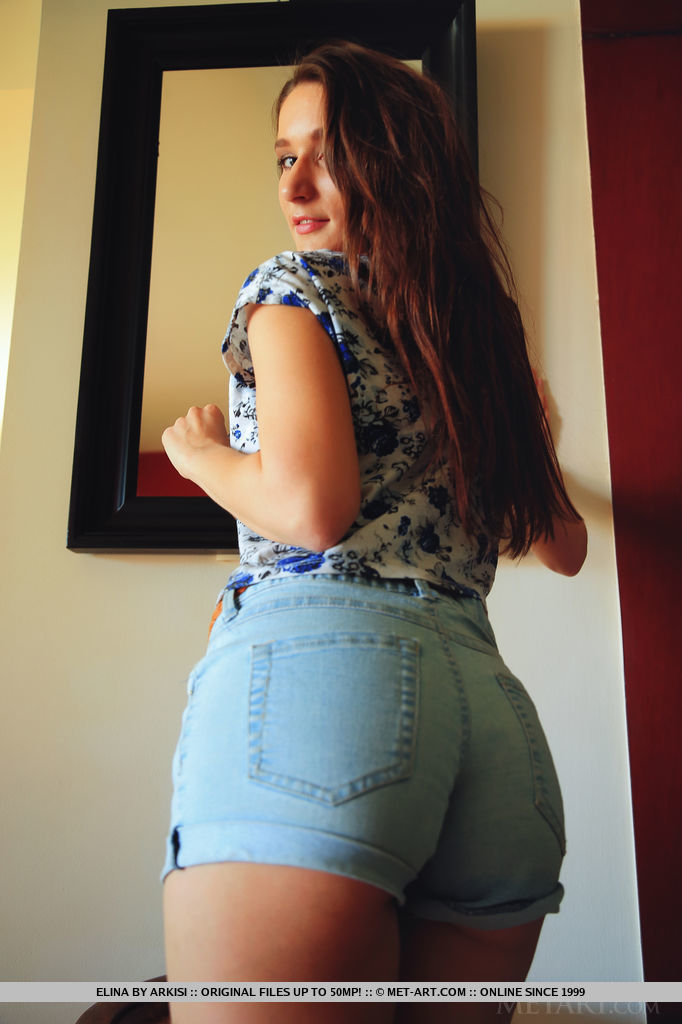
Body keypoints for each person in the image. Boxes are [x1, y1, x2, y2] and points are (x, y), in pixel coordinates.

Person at [160, 41, 587, 1024]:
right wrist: (533, 431)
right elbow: (563, 547)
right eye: (284, 156)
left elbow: (312, 509)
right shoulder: (479, 332)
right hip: (489, 721)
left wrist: (201, 457)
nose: (294, 184)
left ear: (396, 162)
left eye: (329, 153)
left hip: (329, 688)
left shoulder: (293, 285)